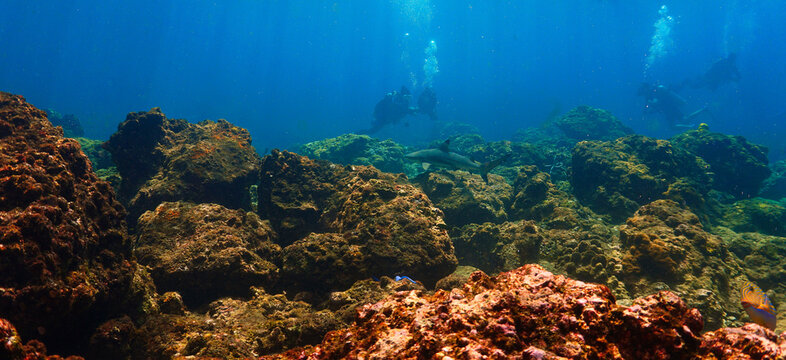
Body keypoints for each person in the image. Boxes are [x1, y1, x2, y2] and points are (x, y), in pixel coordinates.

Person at [638, 83, 708, 129]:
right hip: (670, 107)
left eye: (642, 89)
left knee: (673, 126)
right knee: (685, 119)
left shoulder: (653, 93)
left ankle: (690, 126)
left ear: (645, 88)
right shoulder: (651, 93)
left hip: (669, 109)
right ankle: (702, 110)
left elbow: (656, 102)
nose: (641, 91)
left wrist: (650, 102)